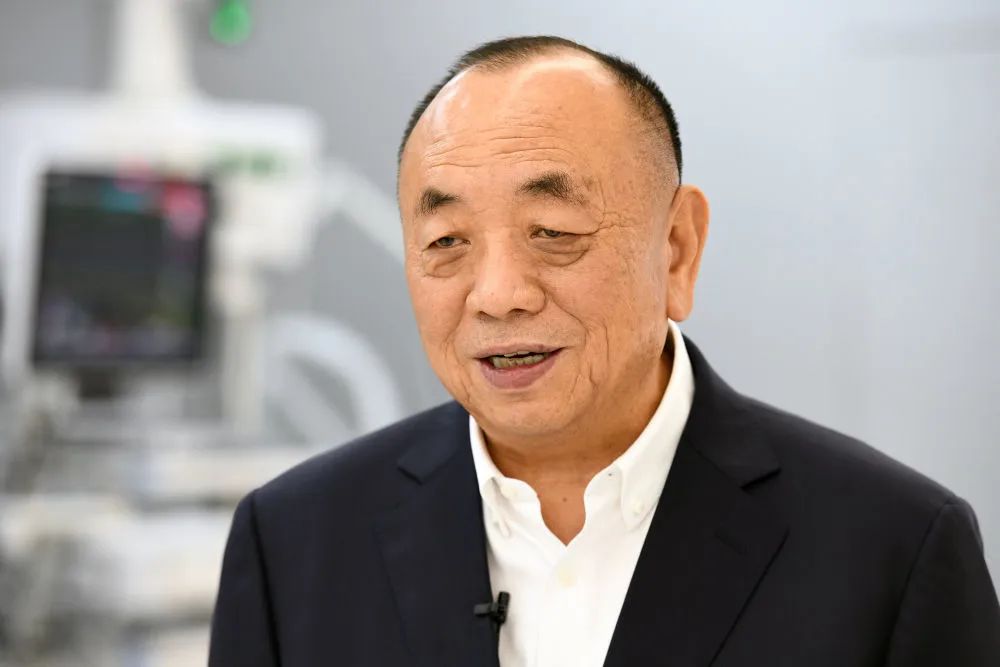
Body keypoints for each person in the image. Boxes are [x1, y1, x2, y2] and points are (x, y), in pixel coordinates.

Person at [208, 36, 1000, 666]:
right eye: (446, 240)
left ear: (677, 249)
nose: (498, 294)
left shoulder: (893, 552)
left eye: (552, 232)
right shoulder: (294, 545)